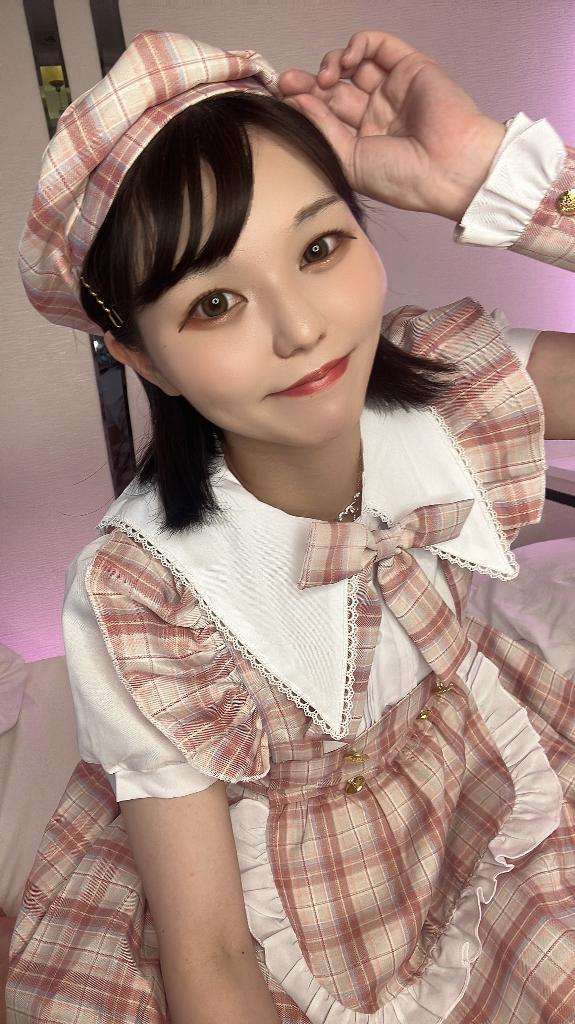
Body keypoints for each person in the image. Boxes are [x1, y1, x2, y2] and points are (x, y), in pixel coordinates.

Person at [7, 26, 575, 1024]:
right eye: (214, 302)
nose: (301, 327)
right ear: (140, 357)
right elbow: (213, 949)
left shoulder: (451, 389)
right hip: (279, 902)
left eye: (319, 248)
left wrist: (489, 174)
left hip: (482, 791)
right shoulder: (145, 592)